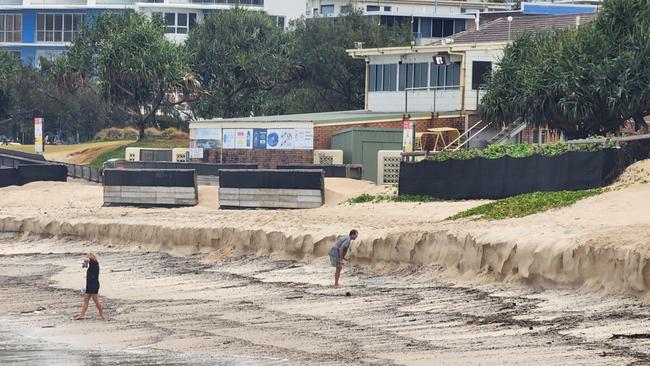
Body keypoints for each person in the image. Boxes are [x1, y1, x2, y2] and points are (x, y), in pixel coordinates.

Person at [75, 253, 105, 320]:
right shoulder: (92, 264)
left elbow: (87, 260)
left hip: (93, 285)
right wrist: (84, 264)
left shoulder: (94, 262)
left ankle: (102, 315)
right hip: (89, 284)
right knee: (86, 299)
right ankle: (81, 315)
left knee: (96, 301)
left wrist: (86, 260)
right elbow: (86, 265)